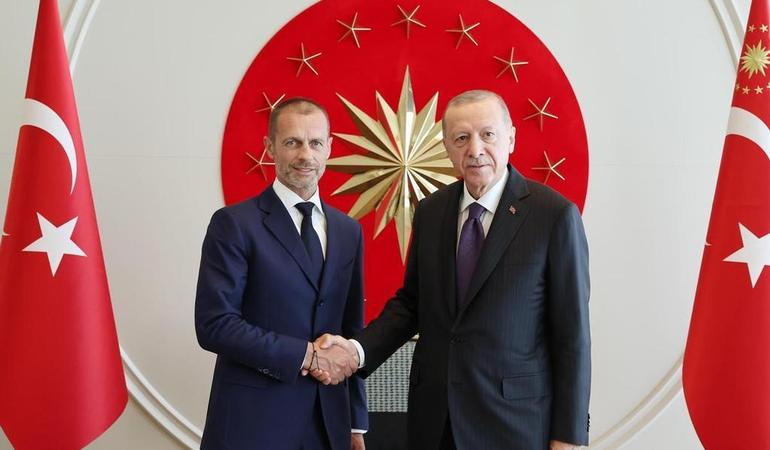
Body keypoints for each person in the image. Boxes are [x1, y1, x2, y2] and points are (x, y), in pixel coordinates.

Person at [316, 90, 590, 450]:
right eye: (461, 138)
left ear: (511, 137)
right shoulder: (431, 212)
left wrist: (569, 437)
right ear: (447, 147)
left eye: (487, 134)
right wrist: (356, 351)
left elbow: (572, 337)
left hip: (515, 427)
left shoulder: (553, 216)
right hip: (435, 423)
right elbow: (411, 305)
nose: (475, 149)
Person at [195, 97, 367, 450]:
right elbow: (215, 325)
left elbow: (351, 329)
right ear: (270, 147)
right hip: (253, 424)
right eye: (292, 142)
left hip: (328, 425)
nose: (306, 155)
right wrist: (306, 355)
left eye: (315, 143)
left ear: (329, 148)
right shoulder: (234, 224)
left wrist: (356, 424)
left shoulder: (348, 230)